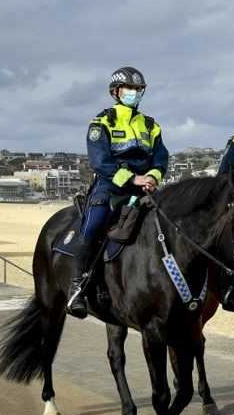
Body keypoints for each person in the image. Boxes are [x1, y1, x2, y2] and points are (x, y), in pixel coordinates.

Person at [65, 66, 169, 319]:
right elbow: (100, 162)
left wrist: (152, 178)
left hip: (145, 187)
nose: (134, 93)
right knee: (92, 227)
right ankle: (77, 287)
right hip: (110, 187)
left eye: (138, 89)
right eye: (130, 89)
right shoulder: (101, 122)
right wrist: (133, 179)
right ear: (116, 91)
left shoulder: (151, 125)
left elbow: (161, 157)